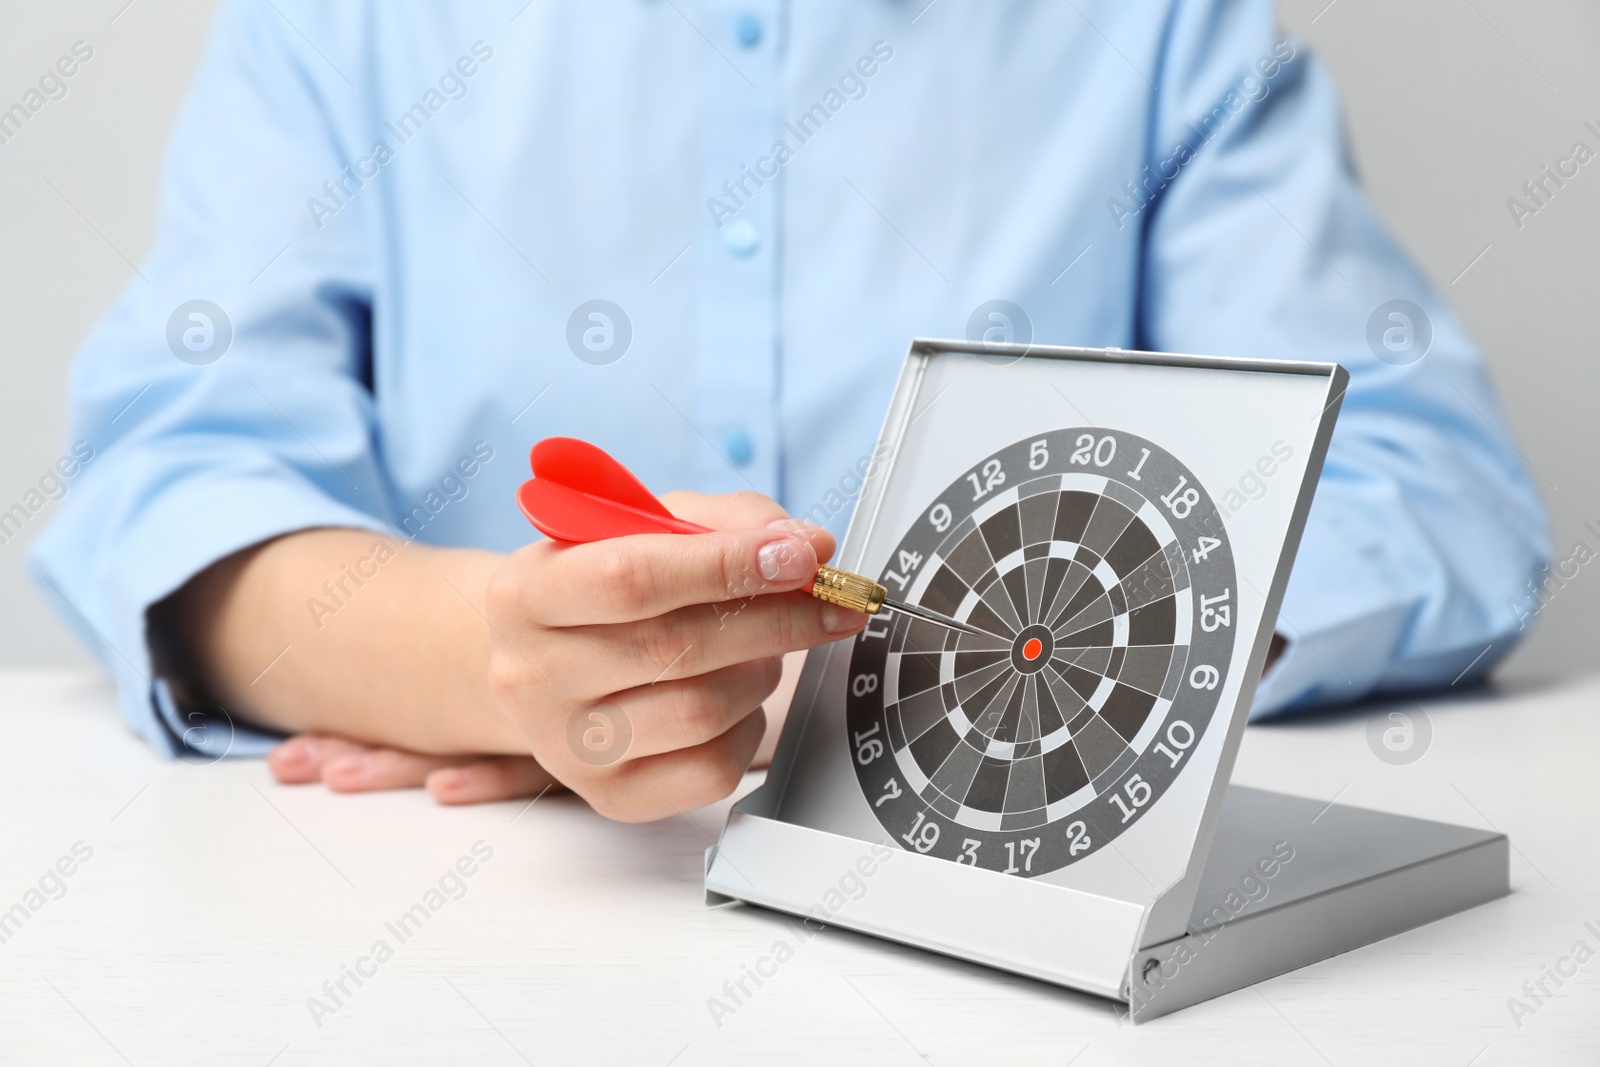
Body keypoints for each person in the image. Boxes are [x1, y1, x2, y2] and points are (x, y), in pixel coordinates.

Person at [32, 0, 1549, 820]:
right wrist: (497, 671)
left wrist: (898, 687)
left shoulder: (1156, 26)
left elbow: (1431, 499)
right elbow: (179, 485)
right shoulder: (347, 23)